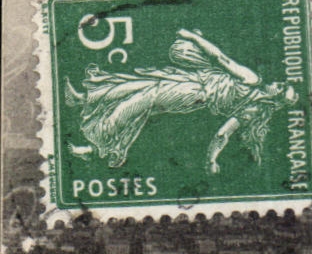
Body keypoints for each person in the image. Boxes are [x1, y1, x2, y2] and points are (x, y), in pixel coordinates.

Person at [65, 28, 298, 172]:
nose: (276, 83)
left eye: (280, 87)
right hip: (194, 83)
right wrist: (212, 160)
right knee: (140, 88)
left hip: (194, 91)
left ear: (275, 95)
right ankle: (84, 100)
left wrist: (193, 37)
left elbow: (221, 58)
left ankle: (95, 140)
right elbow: (222, 135)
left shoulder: (252, 80)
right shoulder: (253, 111)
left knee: (141, 99)